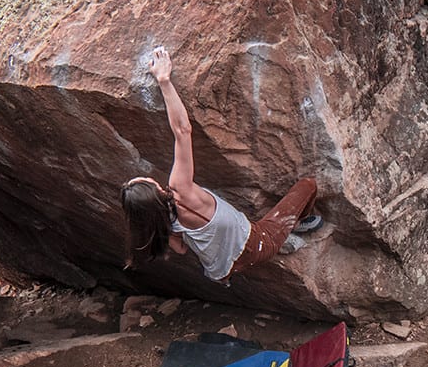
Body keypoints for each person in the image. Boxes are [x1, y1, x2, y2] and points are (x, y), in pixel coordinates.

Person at [121, 46, 321, 281]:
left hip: (220, 271)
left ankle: (279, 238)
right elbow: (183, 131)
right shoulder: (181, 190)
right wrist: (164, 81)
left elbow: (182, 249)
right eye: (143, 180)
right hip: (256, 244)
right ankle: (298, 225)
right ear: (154, 189)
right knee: (308, 185)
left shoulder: (162, 223)